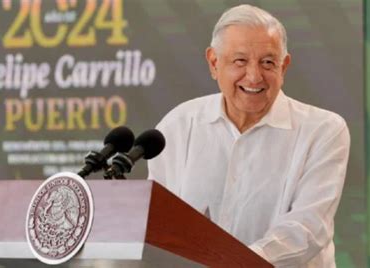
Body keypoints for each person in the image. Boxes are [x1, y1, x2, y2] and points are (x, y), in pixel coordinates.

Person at [147, 4, 350, 268]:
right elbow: (156, 220)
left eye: (268, 62)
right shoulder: (179, 125)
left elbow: (308, 228)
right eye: (240, 61)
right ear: (214, 63)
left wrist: (236, 262)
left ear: (284, 66)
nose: (254, 76)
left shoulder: (323, 130)